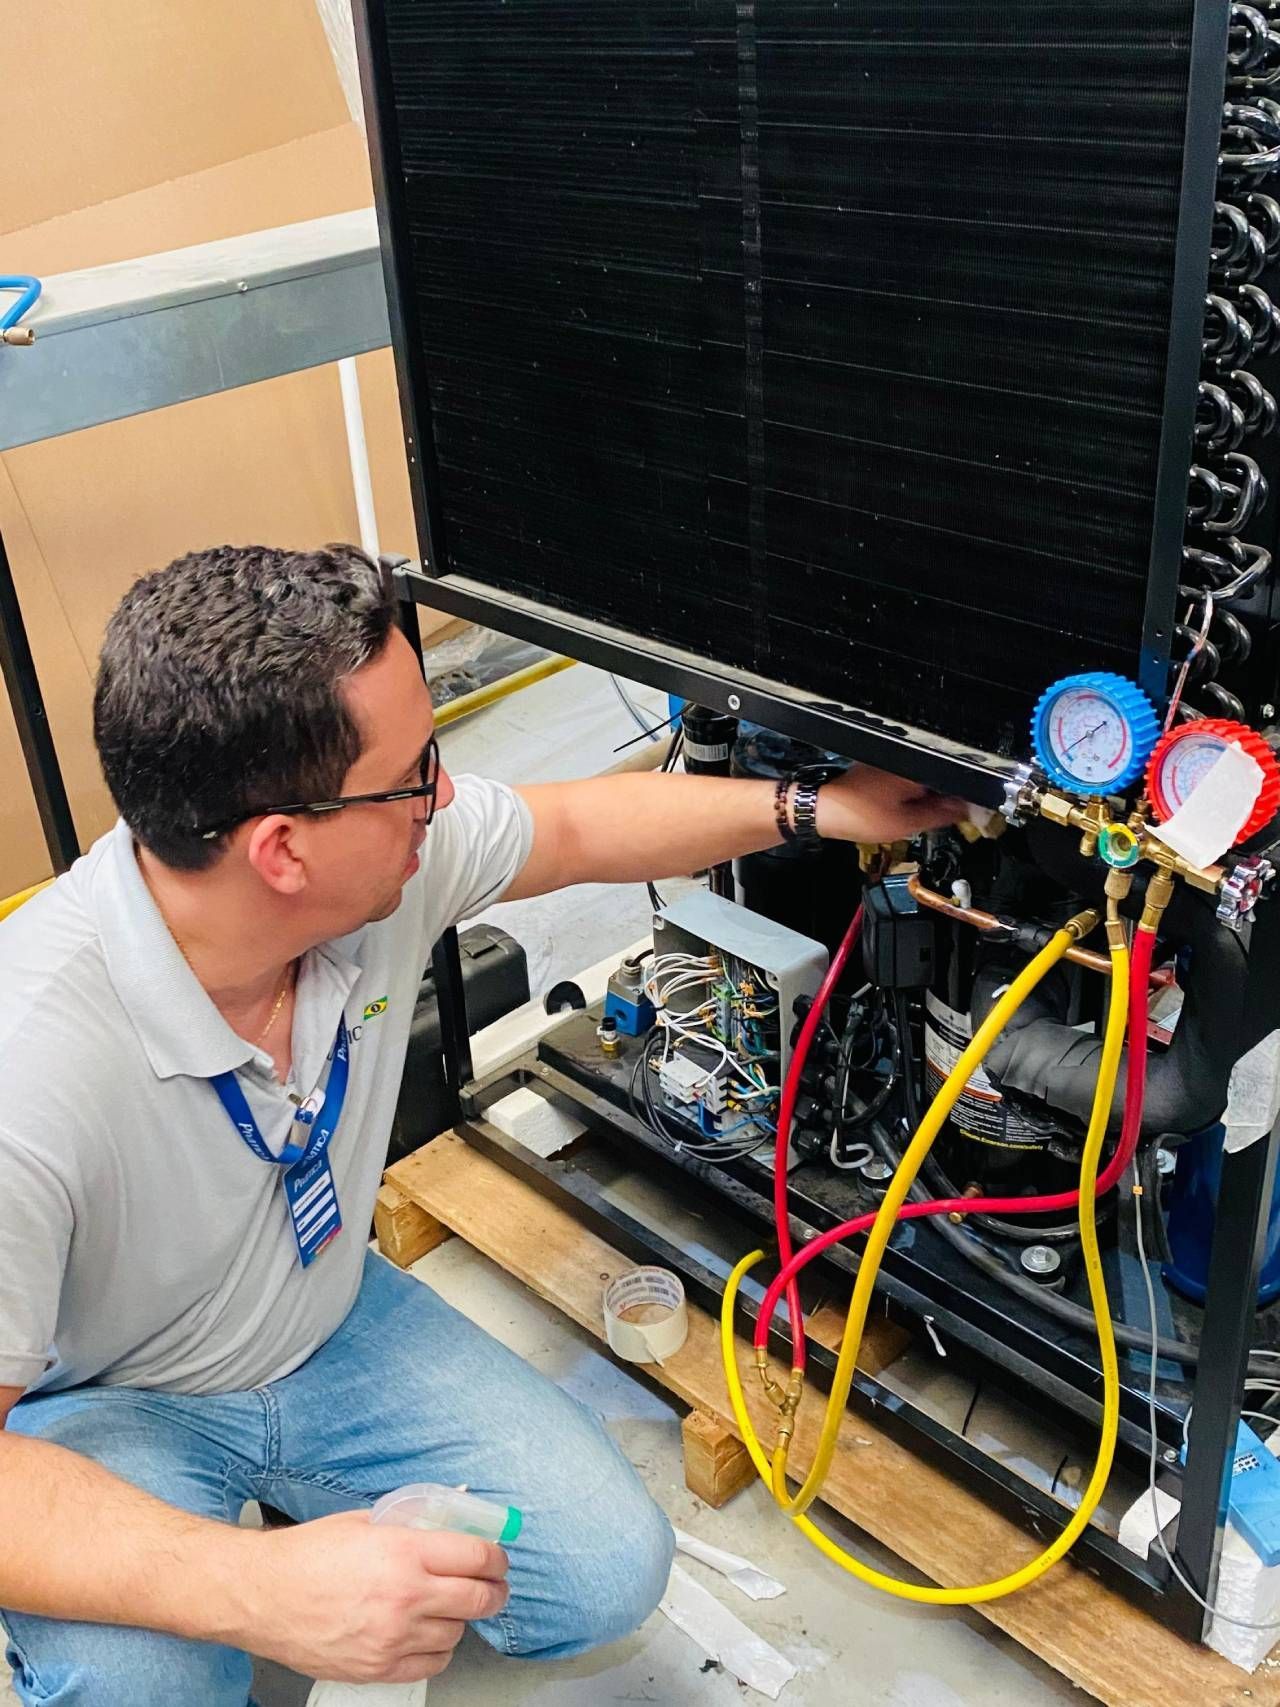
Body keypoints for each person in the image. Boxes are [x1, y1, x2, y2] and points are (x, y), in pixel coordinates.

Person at [0, 544, 963, 1705]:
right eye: (416, 771)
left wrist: (813, 805)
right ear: (282, 850)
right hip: (110, 1397)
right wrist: (256, 1589)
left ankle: (294, 1517)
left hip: (319, 1320)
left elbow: (570, 828)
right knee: (141, 1690)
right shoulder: (30, 1070)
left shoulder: (377, 868)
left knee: (604, 1570)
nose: (445, 796)